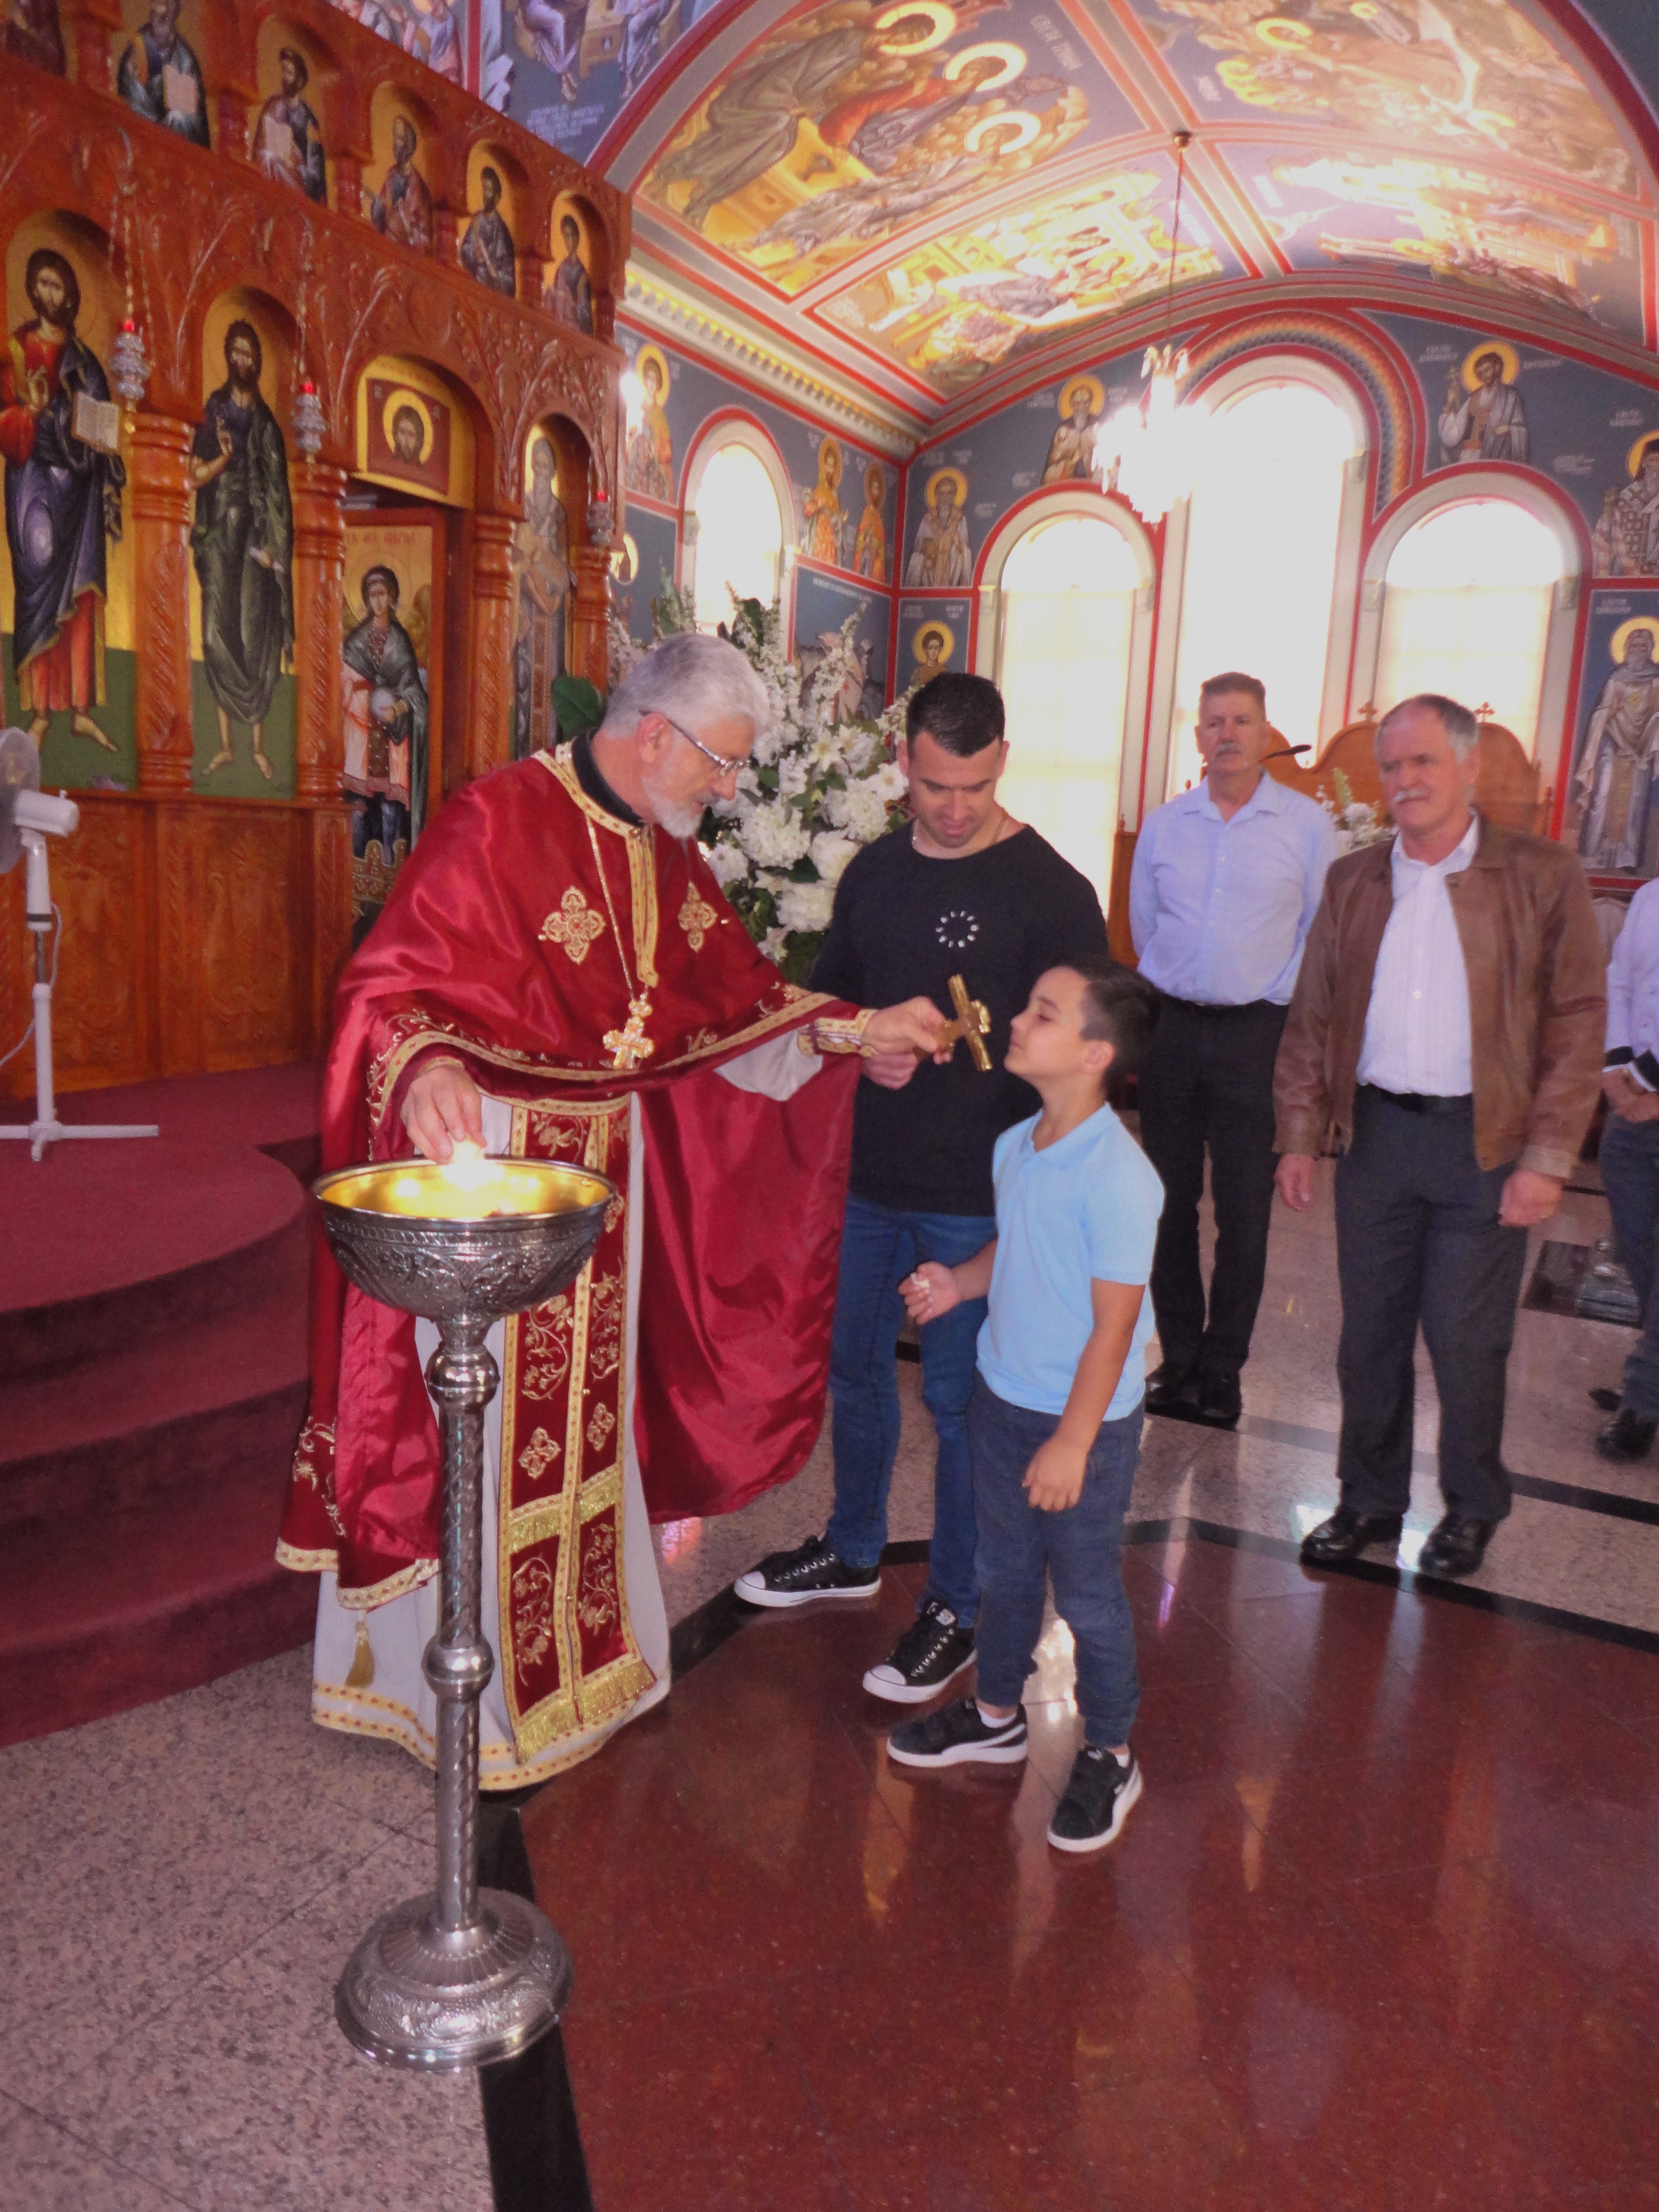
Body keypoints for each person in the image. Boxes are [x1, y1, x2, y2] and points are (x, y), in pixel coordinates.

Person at [277, 632, 948, 1784]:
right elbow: (387, 992)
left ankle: (581, 1664)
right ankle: (453, 1693)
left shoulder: (665, 851)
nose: (728, 790)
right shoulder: (494, 822)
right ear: (655, 735)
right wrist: (428, 1063)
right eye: (720, 763)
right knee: (483, 1433)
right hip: (489, 1179)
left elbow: (731, 1008)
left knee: (587, 1432)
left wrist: (855, 1030)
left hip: (604, 1194)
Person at [733, 672, 1110, 1704]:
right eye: (936, 785)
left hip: (977, 1197)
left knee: (959, 1403)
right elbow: (827, 1006)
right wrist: (864, 1045)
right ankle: (854, 1547)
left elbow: (1094, 1055)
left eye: (976, 787)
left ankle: (958, 1601)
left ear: (1003, 763)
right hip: (867, 1180)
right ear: (904, 761)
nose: (953, 808)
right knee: (854, 1373)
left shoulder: (1053, 892)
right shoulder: (875, 871)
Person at [1278, 694, 1605, 1579]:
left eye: (1423, 761)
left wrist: (1548, 1158)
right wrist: (1299, 1136)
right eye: (1391, 766)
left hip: (1484, 1146)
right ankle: (1368, 1500)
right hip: (1378, 1139)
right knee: (1369, 1337)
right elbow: (1312, 1016)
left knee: (1466, 1341)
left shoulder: (1540, 873)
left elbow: (1578, 1020)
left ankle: (1471, 1507)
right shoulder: (1355, 880)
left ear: (1469, 766)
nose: (1405, 780)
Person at [885, 959, 1163, 1856]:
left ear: (1094, 1054)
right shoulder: (1018, 1145)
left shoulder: (1120, 1178)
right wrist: (958, 1284)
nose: (1017, 1021)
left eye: (1045, 1014)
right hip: (1003, 1398)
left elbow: (1115, 1328)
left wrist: (1073, 1442)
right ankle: (998, 1713)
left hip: (1085, 1423)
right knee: (1003, 1574)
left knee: (1085, 1593)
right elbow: (1018, 1248)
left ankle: (1111, 1751)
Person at [1130, 673, 1338, 1426]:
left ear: (1265, 732)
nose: (1227, 735)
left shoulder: (1307, 827)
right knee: (1168, 1204)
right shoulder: (1165, 825)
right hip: (1172, 1034)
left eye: (1241, 721)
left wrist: (1271, 1001)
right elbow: (1146, 925)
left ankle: (1223, 1369)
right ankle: (1179, 1356)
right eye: (1214, 722)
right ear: (1198, 737)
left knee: (1245, 1212)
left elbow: (1319, 934)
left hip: (1259, 1037)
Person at [0, 248, 124, 753]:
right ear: (32, 289)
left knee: (81, 591)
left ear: (69, 294)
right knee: (36, 572)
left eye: (58, 285)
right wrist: (32, 416)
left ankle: (80, 712)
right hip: (32, 479)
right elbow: (5, 421)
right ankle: (39, 713)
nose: (50, 294)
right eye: (43, 284)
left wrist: (97, 434)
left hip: (80, 490)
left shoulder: (85, 359)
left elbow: (105, 428)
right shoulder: (15, 350)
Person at [190, 321, 293, 781]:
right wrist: (224, 459)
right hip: (217, 535)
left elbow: (279, 497)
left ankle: (256, 747)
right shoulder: (214, 411)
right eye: (235, 351)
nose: (241, 360)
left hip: (255, 543)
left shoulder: (268, 425)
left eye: (249, 353)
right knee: (217, 632)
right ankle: (225, 746)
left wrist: (274, 550)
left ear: (258, 362)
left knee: (254, 633)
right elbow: (192, 475)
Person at [1592, 881, 1659, 1461]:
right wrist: (1616, 1065)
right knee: (1640, 1251)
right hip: (1635, 1109)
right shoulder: (1649, 898)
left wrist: (1646, 1081)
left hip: (1647, 1091)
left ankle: (1643, 1398)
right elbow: (1619, 980)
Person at [341, 564, 427, 866]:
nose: (378, 601)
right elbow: (342, 683)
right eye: (372, 595)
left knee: (390, 810)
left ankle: (390, 870)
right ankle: (355, 870)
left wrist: (397, 708)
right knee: (359, 808)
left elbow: (415, 693)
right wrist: (362, 700)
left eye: (382, 594)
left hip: (392, 735)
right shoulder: (355, 642)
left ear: (391, 597)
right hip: (360, 732)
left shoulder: (401, 642)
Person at [116, 0, 209, 146]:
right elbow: (131, 99)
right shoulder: (139, 49)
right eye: (159, 3)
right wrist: (161, 124)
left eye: (170, 3)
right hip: (144, 140)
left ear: (176, 10)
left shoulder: (186, 59)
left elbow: (197, 120)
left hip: (179, 145)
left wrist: (181, 119)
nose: (164, 11)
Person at [250, 47, 327, 202]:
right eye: (284, 72)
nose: (285, 78)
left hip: (297, 191)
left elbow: (316, 178)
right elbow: (258, 149)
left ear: (300, 80)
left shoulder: (309, 122)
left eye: (290, 73)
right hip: (270, 181)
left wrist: (295, 162)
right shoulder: (272, 106)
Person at [371, 116, 433, 252]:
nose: (395, 144)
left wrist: (405, 222)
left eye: (399, 138)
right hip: (386, 248)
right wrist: (375, 203)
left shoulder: (420, 189)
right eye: (395, 137)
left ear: (408, 143)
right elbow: (381, 214)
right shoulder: (392, 175)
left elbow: (424, 238)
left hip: (406, 254)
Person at [460, 166, 517, 295]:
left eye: (489, 190)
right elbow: (465, 250)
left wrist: (497, 276)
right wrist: (474, 255)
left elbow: (508, 276)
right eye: (484, 189)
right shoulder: (477, 221)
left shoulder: (503, 231)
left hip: (493, 293)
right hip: (475, 285)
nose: (485, 195)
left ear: (497, 197)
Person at [544, 214, 593, 335]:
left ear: (577, 238)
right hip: (559, 320)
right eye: (566, 236)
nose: (568, 241)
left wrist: (573, 298)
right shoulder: (562, 267)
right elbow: (556, 293)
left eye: (571, 236)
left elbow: (584, 311)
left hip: (573, 326)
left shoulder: (582, 273)